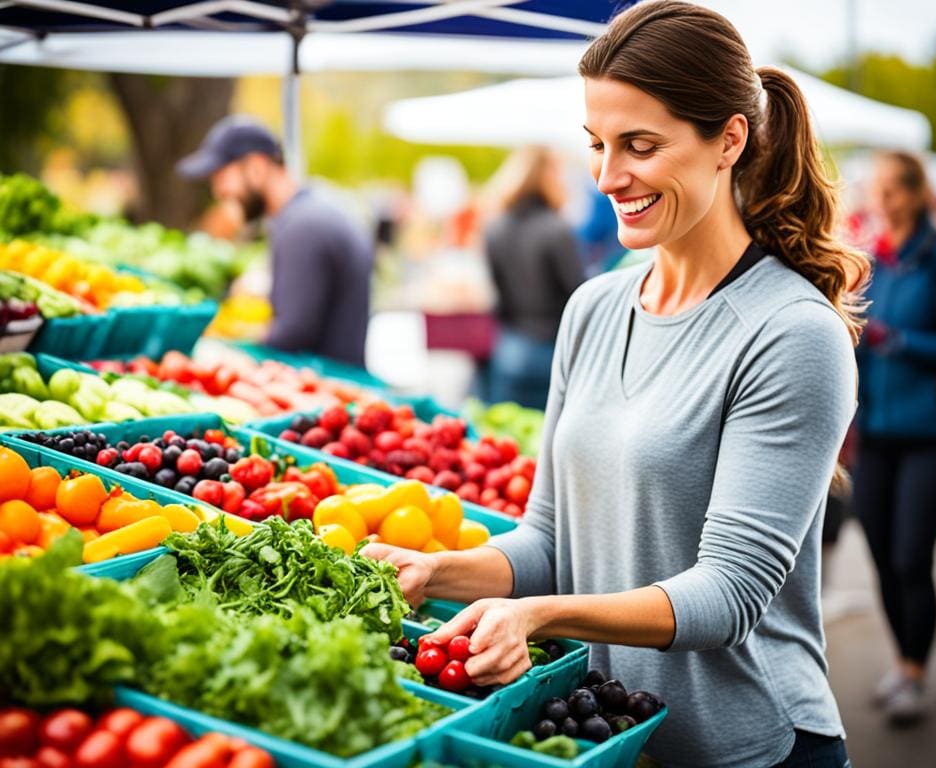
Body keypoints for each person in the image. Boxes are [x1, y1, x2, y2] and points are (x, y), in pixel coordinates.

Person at [364, 2, 870, 766]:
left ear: (728, 139)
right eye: (597, 145)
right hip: (613, 735)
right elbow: (549, 541)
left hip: (750, 744)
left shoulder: (792, 334)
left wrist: (536, 615)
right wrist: (441, 572)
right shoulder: (594, 307)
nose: (606, 177)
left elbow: (727, 595)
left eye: (639, 146)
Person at [853, 151, 936, 725]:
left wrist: (898, 342)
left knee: (911, 555)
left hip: (935, 433)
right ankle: (902, 662)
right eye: (877, 190)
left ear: (918, 194)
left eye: (893, 190)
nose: (882, 200)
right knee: (879, 552)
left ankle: (915, 673)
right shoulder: (875, 260)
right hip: (878, 432)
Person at [177, 115, 373, 368]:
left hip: (325, 388)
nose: (219, 192)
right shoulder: (313, 211)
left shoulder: (303, 227)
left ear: (256, 167)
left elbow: (292, 333)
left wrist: (229, 346)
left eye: (222, 176)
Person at [482, 146, 585, 410]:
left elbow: (498, 294)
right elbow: (577, 293)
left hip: (509, 347)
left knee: (505, 436)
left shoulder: (495, 229)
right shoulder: (557, 229)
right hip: (549, 350)